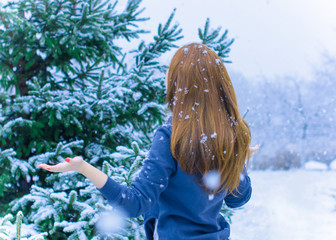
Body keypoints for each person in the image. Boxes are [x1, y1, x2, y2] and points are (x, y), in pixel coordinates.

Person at [39, 43, 258, 240]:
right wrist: (238, 161)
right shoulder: (230, 137)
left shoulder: (171, 138)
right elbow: (238, 199)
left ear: (178, 87)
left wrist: (82, 167)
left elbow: (133, 203)